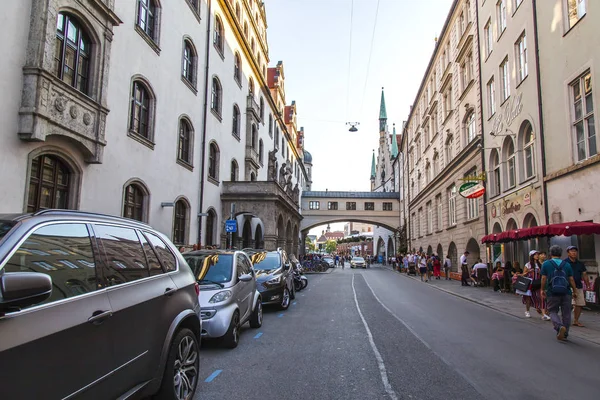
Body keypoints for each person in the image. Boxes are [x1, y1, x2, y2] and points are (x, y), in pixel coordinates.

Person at [541, 245, 579, 341]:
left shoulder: (546, 264)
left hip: (552, 291)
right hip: (566, 292)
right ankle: (565, 333)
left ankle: (559, 326)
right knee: (566, 313)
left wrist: (542, 289)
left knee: (552, 311)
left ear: (550, 253)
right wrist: (574, 291)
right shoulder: (566, 264)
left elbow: (543, 278)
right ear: (561, 253)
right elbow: (571, 279)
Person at [519, 250, 550, 320]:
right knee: (528, 298)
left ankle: (544, 314)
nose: (537, 256)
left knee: (541, 297)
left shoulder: (540, 264)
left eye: (537, 254)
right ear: (532, 256)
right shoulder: (528, 264)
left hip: (538, 283)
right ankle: (527, 311)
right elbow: (523, 274)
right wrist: (528, 271)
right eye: (535, 254)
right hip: (530, 283)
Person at [564, 245, 590, 327]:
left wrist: (588, 284)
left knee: (579, 304)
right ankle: (565, 319)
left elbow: (584, 274)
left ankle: (576, 320)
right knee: (567, 304)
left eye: (575, 251)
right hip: (567, 286)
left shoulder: (580, 264)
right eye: (572, 251)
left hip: (578, 285)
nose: (574, 253)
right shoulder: (564, 263)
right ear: (568, 253)